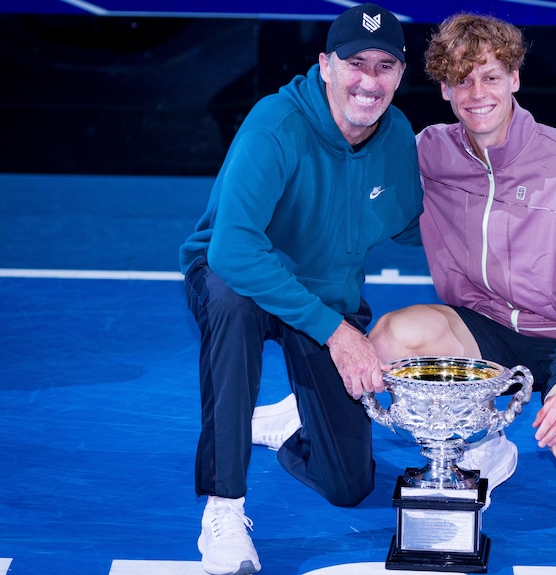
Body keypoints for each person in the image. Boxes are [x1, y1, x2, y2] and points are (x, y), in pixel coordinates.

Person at [369, 13, 556, 516]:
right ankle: (485, 441)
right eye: (462, 80)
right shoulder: (430, 152)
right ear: (445, 90)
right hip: (485, 324)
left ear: (515, 79)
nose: (478, 93)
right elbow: (355, 180)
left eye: (491, 77)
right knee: (390, 336)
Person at [179, 4, 422, 574]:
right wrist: (337, 333)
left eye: (384, 66)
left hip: (325, 292)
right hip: (240, 279)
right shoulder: (276, 124)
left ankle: (289, 423)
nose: (369, 80)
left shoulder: (398, 136)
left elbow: (414, 225)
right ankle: (223, 507)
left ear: (401, 74)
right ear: (325, 65)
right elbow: (232, 250)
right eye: (354, 62)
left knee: (349, 484)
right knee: (230, 302)